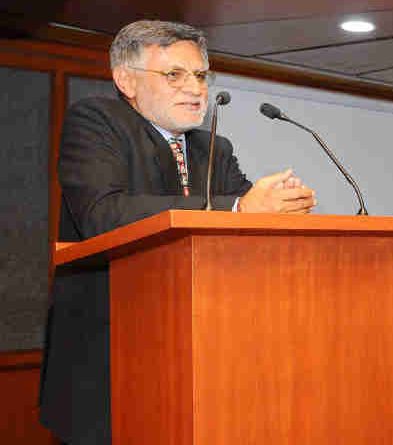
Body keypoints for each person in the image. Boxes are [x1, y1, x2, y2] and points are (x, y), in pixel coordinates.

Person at [39, 20, 316, 444]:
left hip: (205, 360)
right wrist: (241, 206)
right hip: (109, 363)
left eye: (201, 76)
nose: (196, 88)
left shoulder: (213, 148)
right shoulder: (96, 123)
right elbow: (102, 212)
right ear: (126, 79)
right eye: (175, 75)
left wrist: (280, 207)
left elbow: (247, 216)